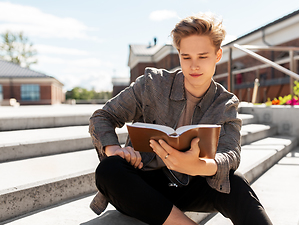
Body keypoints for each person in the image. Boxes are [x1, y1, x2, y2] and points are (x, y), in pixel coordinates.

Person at [89, 13, 273, 225]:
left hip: (191, 183)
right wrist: (116, 150)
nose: (194, 66)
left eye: (203, 57)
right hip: (142, 185)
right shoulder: (152, 84)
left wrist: (200, 166)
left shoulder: (225, 103)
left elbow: (231, 154)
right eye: (186, 57)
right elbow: (103, 116)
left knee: (237, 183)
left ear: (218, 55)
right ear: (179, 55)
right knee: (109, 168)